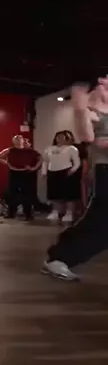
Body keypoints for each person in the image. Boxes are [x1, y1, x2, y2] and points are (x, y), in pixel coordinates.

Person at [44, 80, 108, 280]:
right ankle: (60, 257)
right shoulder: (91, 111)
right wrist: (80, 110)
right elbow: (90, 138)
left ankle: (61, 256)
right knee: (100, 221)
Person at [0, 135, 42, 220]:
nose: (18, 139)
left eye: (20, 138)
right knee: (12, 193)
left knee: (27, 194)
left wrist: (34, 168)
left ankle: (28, 214)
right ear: (13, 141)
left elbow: (40, 158)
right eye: (16, 138)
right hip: (14, 173)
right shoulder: (10, 150)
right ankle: (11, 213)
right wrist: (8, 164)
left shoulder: (30, 151)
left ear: (22, 140)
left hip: (26, 173)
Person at [42, 131, 81, 223]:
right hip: (52, 172)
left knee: (68, 194)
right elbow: (45, 161)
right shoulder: (49, 149)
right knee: (54, 194)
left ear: (66, 138)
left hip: (66, 172)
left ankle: (69, 213)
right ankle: (56, 211)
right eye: (58, 137)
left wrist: (72, 170)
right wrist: (44, 172)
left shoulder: (71, 148)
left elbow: (77, 162)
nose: (59, 139)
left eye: (62, 137)